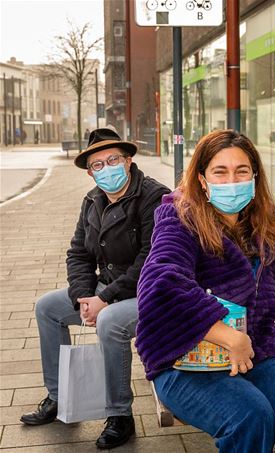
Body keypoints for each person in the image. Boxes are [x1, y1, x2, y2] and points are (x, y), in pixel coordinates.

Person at [135, 130, 275, 453]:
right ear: (202, 179)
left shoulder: (261, 223)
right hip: (185, 357)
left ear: (254, 178)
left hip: (258, 350)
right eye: (220, 172)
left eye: (241, 171)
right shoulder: (179, 217)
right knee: (251, 415)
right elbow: (161, 282)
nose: (231, 181)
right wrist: (228, 336)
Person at [20, 128, 171, 449]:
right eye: (97, 165)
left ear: (128, 161)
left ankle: (120, 415)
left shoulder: (154, 197)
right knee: (48, 308)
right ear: (90, 172)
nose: (106, 168)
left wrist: (103, 298)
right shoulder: (92, 200)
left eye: (112, 159)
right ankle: (59, 397)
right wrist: (83, 296)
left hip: (154, 292)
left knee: (110, 321)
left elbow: (151, 259)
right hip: (108, 288)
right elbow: (78, 252)